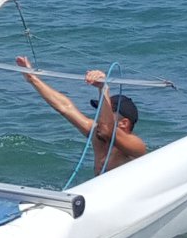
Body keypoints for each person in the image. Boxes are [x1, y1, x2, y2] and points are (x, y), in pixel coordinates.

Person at [16, 57, 149, 175]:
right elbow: (65, 108)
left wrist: (103, 88)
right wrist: (33, 79)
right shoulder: (96, 133)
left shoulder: (136, 146)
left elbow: (107, 129)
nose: (99, 115)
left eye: (106, 111)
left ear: (124, 123)